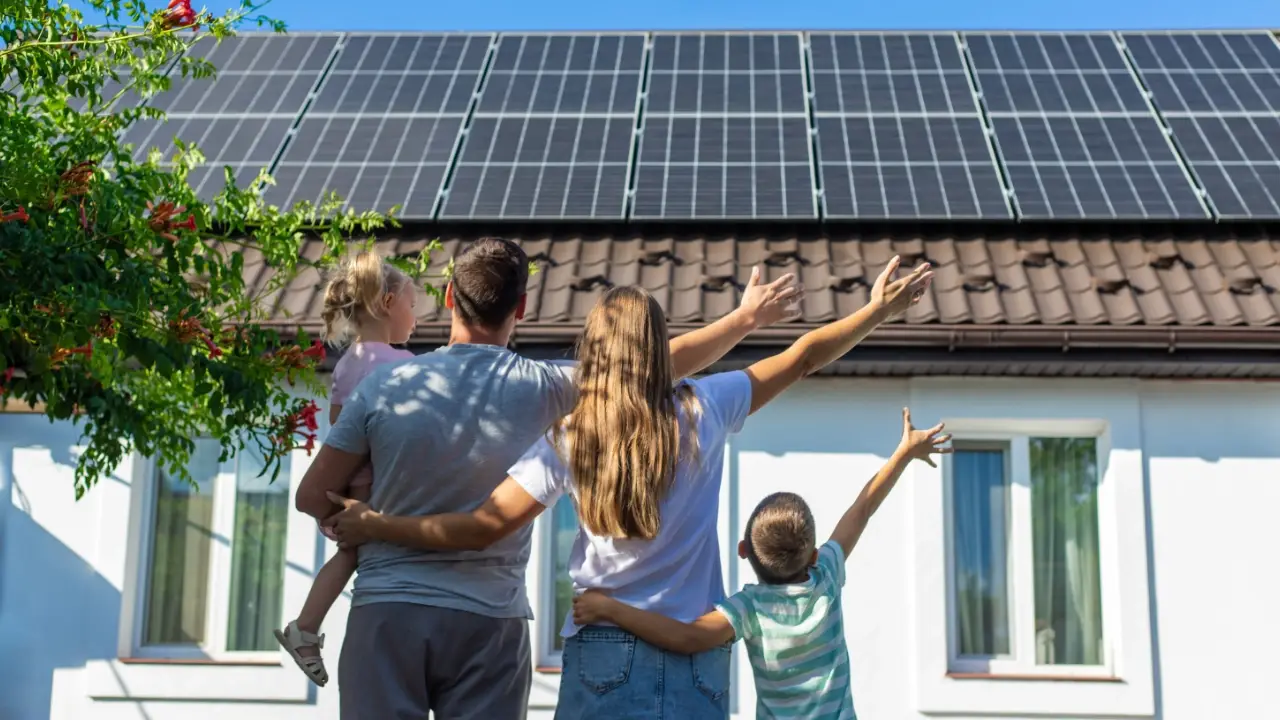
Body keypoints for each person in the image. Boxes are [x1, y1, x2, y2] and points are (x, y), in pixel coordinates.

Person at [324, 255, 933, 719]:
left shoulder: (571, 435)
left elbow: (482, 525)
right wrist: (876, 310)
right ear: (660, 351)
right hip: (698, 655)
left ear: (595, 351)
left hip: (602, 651)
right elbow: (802, 356)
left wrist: (379, 525)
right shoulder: (707, 406)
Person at [571, 407, 952, 720]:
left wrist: (609, 608)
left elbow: (685, 638)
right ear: (814, 555)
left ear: (743, 551)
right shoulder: (827, 578)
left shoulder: (749, 609)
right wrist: (902, 454)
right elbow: (862, 509)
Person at [274, 251, 417, 686]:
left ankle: (306, 625)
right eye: (412, 305)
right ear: (388, 303)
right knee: (382, 542)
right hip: (375, 481)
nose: (416, 317)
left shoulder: (349, 361)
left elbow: (339, 420)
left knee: (349, 554)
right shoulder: (404, 364)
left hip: (350, 475)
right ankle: (304, 628)